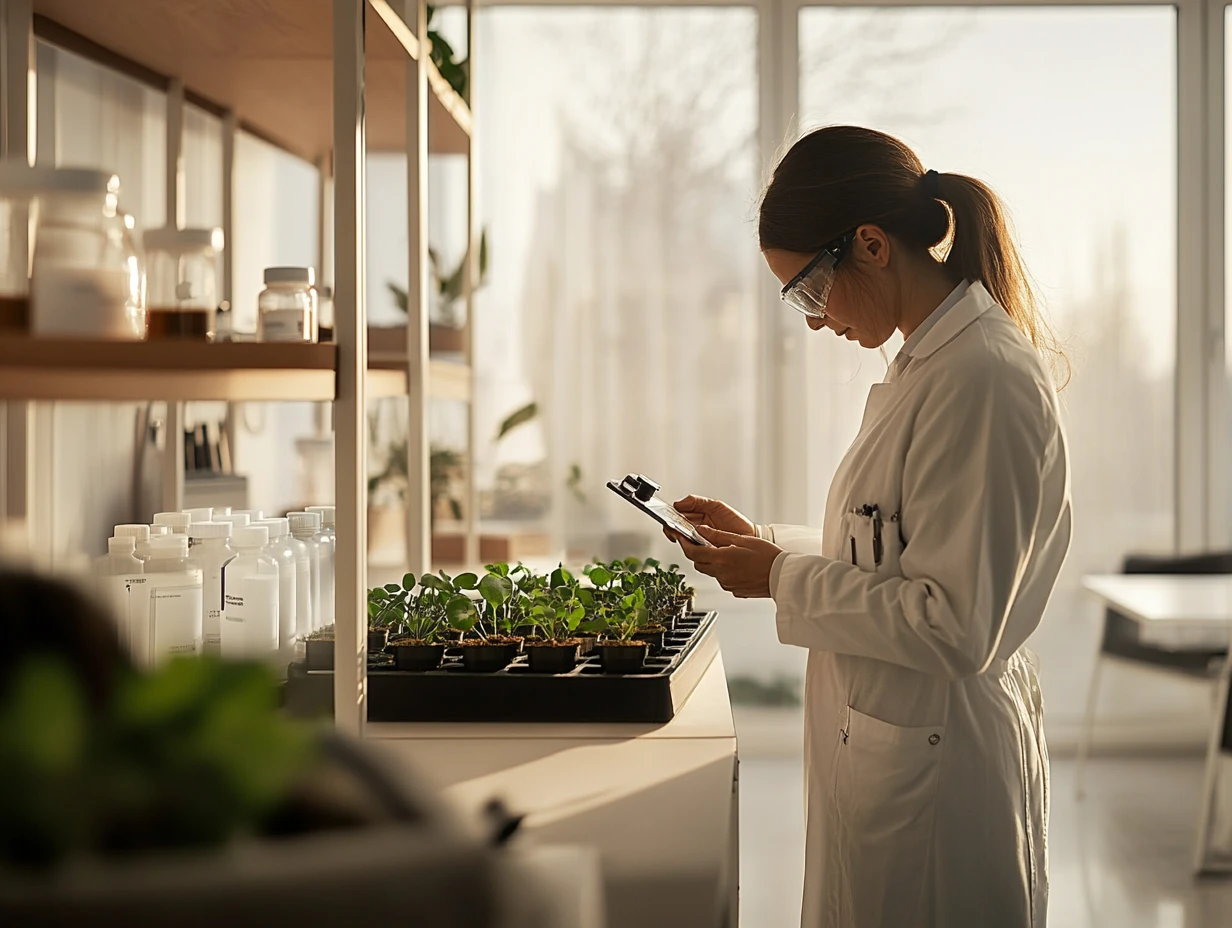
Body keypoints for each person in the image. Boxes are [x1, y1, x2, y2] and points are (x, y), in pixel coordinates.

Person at [668, 126, 1071, 928]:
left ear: (873, 245)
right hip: (895, 749)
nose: (814, 322)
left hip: (944, 770)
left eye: (810, 291)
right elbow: (895, 552)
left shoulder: (981, 379)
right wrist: (767, 548)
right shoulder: (926, 367)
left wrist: (778, 577)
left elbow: (955, 624)